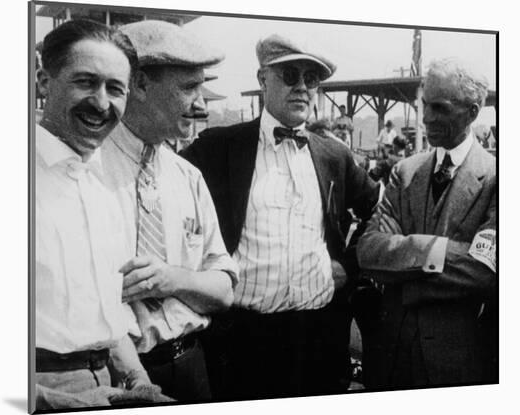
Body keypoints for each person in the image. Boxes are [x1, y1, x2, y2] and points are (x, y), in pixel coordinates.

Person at [181, 33, 379, 400]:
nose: (302, 87)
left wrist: (349, 266)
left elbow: (380, 210)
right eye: (290, 75)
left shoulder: (333, 156)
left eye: (312, 79)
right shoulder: (218, 148)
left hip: (319, 334)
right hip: (244, 339)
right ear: (262, 80)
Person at [34, 19, 172, 410]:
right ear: (44, 82)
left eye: (115, 89)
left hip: (110, 383)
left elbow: (106, 319)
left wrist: (139, 381)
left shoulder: (105, 186)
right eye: (85, 82)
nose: (101, 102)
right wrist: (43, 397)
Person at [100, 20, 238, 402]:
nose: (200, 103)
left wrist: (171, 280)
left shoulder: (187, 176)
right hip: (118, 379)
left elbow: (225, 289)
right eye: (189, 88)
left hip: (192, 366)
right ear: (140, 85)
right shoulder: (89, 170)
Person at [357, 58, 496, 390]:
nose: (426, 117)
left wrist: (403, 272)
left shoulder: (498, 178)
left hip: (459, 363)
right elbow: (368, 250)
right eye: (424, 104)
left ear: (473, 112)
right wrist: (439, 255)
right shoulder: (405, 172)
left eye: (440, 107)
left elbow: (485, 271)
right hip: (389, 356)